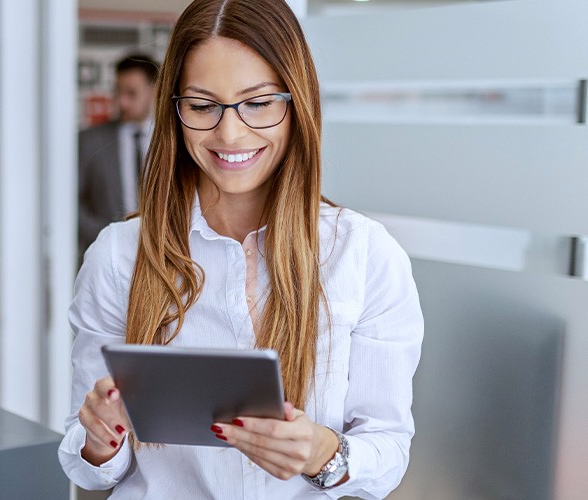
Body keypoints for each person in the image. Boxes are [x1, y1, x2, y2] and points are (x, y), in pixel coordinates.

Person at [59, 0, 424, 498]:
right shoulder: (119, 256)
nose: (229, 133)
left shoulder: (363, 255)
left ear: (297, 103)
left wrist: (323, 453)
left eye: (257, 102)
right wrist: (101, 436)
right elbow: (87, 464)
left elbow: (388, 450)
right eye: (203, 106)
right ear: (175, 111)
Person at [78, 53, 159, 258]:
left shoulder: (175, 141)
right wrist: (105, 237)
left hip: (163, 257)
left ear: (154, 90)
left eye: (131, 93)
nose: (122, 102)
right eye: (118, 92)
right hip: (104, 257)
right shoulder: (89, 141)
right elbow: (71, 202)